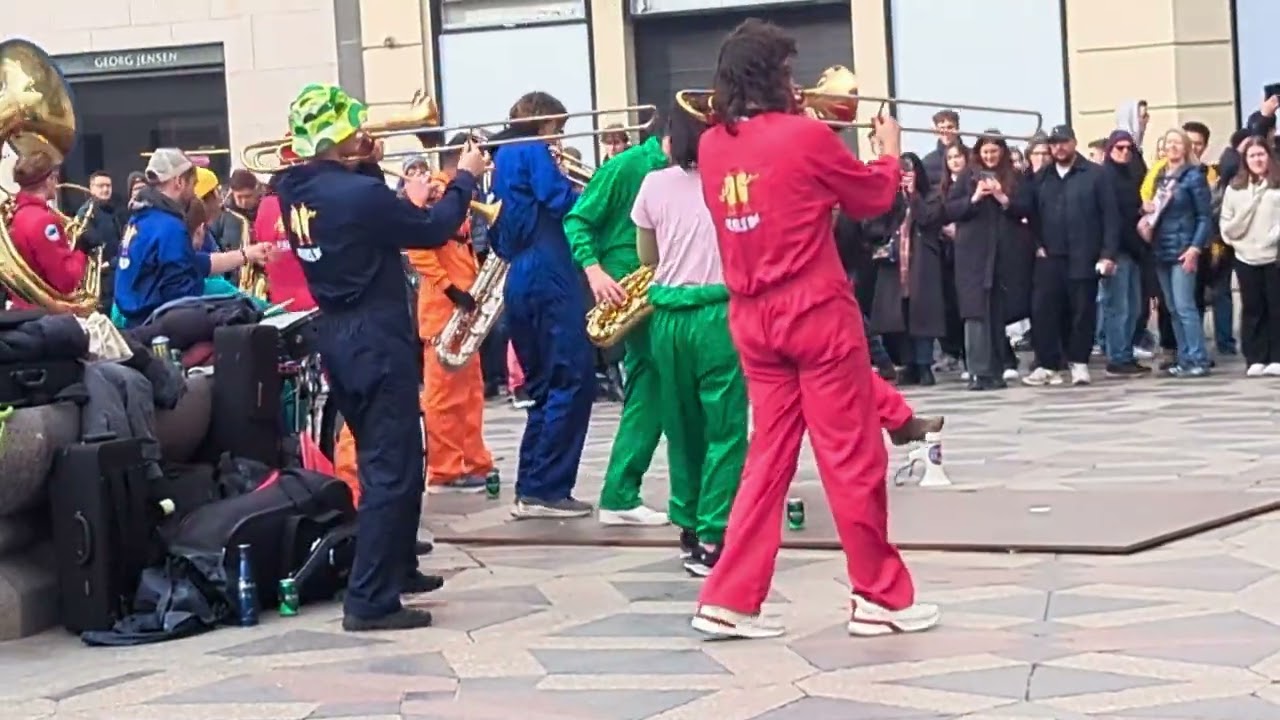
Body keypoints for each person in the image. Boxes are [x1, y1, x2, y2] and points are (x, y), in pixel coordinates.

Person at [690, 19, 939, 640]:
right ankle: (878, 595)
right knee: (850, 456)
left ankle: (730, 597)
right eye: (787, 72)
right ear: (771, 76)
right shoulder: (804, 135)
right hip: (815, 312)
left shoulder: (712, 145)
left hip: (752, 316)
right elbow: (871, 198)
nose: (795, 82)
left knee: (767, 459)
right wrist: (887, 151)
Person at [274, 83, 485, 631]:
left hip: (339, 332)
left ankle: (398, 566)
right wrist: (463, 178)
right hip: (374, 334)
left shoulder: (294, 187)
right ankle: (370, 599)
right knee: (391, 468)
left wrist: (363, 160)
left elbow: (358, 203)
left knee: (395, 457)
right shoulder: (356, 195)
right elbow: (432, 228)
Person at [631, 106, 745, 576]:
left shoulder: (652, 184)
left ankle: (688, 522)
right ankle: (714, 532)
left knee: (681, 425)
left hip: (668, 315)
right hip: (719, 312)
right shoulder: (734, 182)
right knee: (726, 427)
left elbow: (647, 256)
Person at [489, 91, 595, 519]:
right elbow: (560, 200)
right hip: (549, 271)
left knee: (540, 386)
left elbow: (500, 235)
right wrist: (591, 194)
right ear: (545, 121)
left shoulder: (499, 158)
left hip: (518, 273)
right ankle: (548, 488)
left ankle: (531, 484)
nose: (559, 138)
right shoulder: (532, 149)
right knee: (572, 377)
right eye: (558, 128)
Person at [565, 113, 670, 527]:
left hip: (658, 284)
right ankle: (621, 493)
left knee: (656, 387)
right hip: (629, 287)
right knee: (654, 386)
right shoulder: (628, 166)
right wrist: (594, 271)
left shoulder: (674, 169)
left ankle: (622, 492)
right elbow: (578, 219)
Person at [405, 142, 498, 493]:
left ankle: (474, 460)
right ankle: (444, 470)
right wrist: (450, 288)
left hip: (462, 307)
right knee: (443, 397)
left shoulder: (452, 192)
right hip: (443, 310)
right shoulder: (436, 192)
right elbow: (418, 249)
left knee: (471, 393)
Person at [114, 149, 269, 327]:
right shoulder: (170, 226)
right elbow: (182, 296)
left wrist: (246, 254)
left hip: (136, 324)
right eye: (193, 184)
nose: (194, 193)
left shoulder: (140, 219)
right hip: (159, 327)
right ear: (179, 181)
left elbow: (192, 263)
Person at [1021, 125, 1120, 387]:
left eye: (1063, 142)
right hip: (1049, 256)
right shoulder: (1041, 177)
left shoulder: (1096, 175)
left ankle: (1079, 362)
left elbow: (1111, 217)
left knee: (1082, 311)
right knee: (1043, 310)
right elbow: (1028, 214)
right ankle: (1047, 364)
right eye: (1054, 143)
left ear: (1074, 142)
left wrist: (1108, 254)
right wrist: (1036, 244)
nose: (1059, 148)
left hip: (1084, 255)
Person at [863, 153, 948, 386]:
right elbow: (873, 227)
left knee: (923, 316)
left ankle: (924, 364)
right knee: (899, 317)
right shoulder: (891, 199)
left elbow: (927, 218)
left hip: (921, 264)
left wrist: (913, 196)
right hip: (894, 267)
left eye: (909, 172)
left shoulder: (932, 196)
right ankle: (909, 364)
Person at [1145, 128, 1213, 377]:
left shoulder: (1194, 177)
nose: (1172, 147)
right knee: (1172, 308)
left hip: (1184, 249)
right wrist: (1147, 210)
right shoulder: (1161, 177)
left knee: (1185, 307)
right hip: (1161, 249)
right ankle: (1184, 358)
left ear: (1186, 147)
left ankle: (1197, 358)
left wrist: (1195, 248)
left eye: (1177, 142)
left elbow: (1204, 217)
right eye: (1168, 142)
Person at [1219, 136, 1280, 376]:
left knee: (1276, 307)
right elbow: (1226, 223)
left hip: (1274, 256)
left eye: (1261, 154)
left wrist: (1272, 238)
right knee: (1252, 308)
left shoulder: (1277, 185)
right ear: (1245, 160)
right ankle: (1255, 357)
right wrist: (1238, 242)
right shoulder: (1235, 189)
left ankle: (1277, 357)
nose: (1257, 159)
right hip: (1245, 256)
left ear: (1269, 156)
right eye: (1252, 155)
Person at [5, 151, 93, 309]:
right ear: (49, 179)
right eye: (55, 177)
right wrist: (81, 250)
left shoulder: (15, 215)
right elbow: (65, 281)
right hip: (44, 313)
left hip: (21, 308)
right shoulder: (44, 221)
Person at [1097, 130, 1151, 377]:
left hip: (1134, 248)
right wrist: (1106, 253)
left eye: (1129, 148)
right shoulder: (1105, 176)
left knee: (1134, 307)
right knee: (1118, 307)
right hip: (1116, 250)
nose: (1125, 152)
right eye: (1119, 148)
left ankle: (1125, 354)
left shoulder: (1132, 174)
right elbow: (1109, 217)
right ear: (1110, 150)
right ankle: (1117, 357)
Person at [76, 170, 127, 311]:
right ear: (91, 188)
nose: (105, 189)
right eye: (101, 186)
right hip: (99, 280)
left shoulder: (116, 210)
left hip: (116, 273)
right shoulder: (86, 214)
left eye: (108, 186)